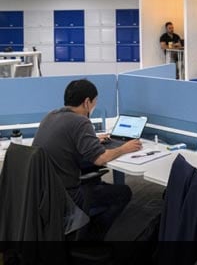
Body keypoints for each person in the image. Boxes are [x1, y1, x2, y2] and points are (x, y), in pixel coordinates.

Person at [33, 79, 142, 240]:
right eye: (94, 102)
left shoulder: (51, 115)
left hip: (43, 192)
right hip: (67, 195)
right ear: (86, 102)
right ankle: (91, 237)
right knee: (123, 193)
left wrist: (92, 140)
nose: (94, 106)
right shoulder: (81, 121)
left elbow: (67, 140)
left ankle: (82, 226)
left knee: (95, 179)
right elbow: (100, 159)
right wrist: (124, 148)